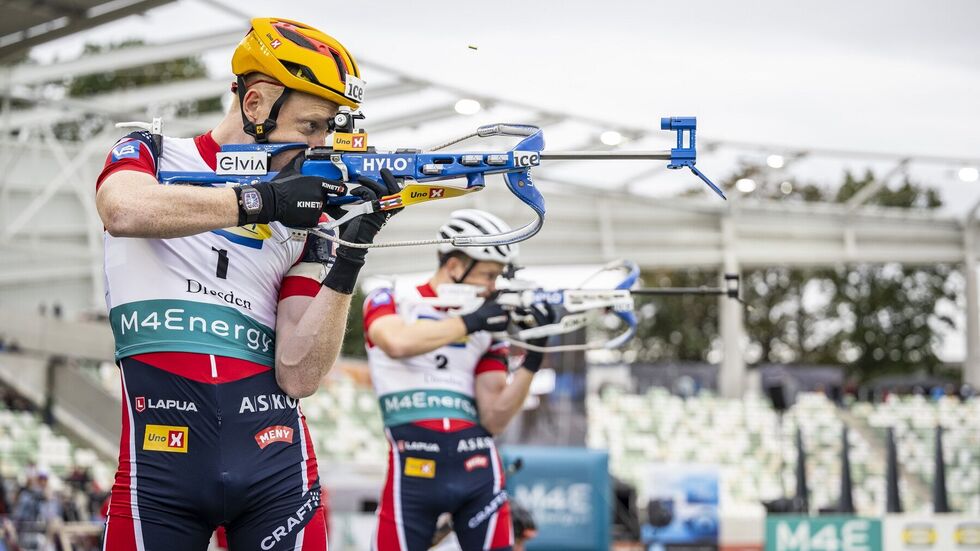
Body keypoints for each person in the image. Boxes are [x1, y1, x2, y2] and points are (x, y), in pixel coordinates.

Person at [95, 18, 399, 550]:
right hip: (158, 477)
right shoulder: (154, 155)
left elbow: (300, 373)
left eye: (328, 129)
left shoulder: (307, 220)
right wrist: (259, 201)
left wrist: (347, 255)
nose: (320, 144)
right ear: (255, 104)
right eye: (310, 127)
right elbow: (122, 208)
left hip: (276, 470)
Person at [363, 210, 552, 551]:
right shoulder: (390, 293)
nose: (494, 287)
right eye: (488, 275)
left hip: (477, 465)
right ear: (454, 266)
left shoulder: (488, 330)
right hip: (412, 467)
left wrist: (533, 358)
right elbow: (396, 342)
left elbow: (494, 417)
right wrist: (470, 322)